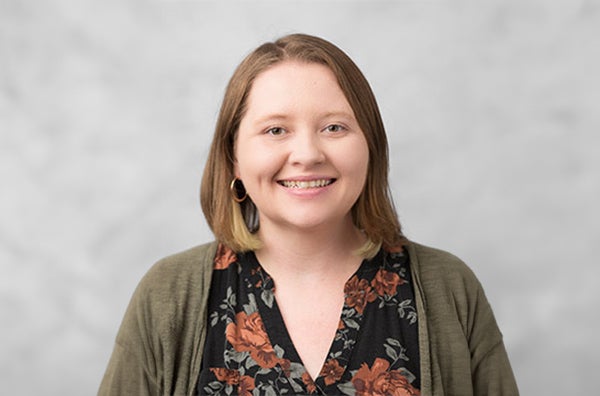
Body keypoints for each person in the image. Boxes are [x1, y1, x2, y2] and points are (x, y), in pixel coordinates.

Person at [98, 33, 519, 396]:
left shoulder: (449, 287)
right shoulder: (168, 295)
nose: (307, 155)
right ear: (234, 159)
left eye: (334, 127)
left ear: (369, 147)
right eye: (275, 130)